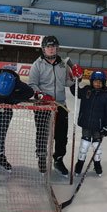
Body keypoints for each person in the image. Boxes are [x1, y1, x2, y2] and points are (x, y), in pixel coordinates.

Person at [28, 35, 83, 177]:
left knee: (61, 136)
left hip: (60, 105)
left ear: (57, 48)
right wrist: (40, 95)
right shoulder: (37, 65)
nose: (51, 49)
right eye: (48, 47)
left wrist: (78, 78)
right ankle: (41, 158)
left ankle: (58, 160)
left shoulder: (63, 64)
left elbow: (67, 82)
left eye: (53, 47)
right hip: (43, 105)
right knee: (42, 134)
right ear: (43, 49)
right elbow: (32, 85)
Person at [70, 71, 107, 177]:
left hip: (98, 126)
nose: (97, 84)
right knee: (84, 145)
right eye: (95, 81)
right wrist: (75, 81)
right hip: (86, 123)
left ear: (104, 83)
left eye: (100, 82)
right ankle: (79, 164)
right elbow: (75, 92)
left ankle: (97, 164)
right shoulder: (86, 90)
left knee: (96, 146)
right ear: (91, 82)